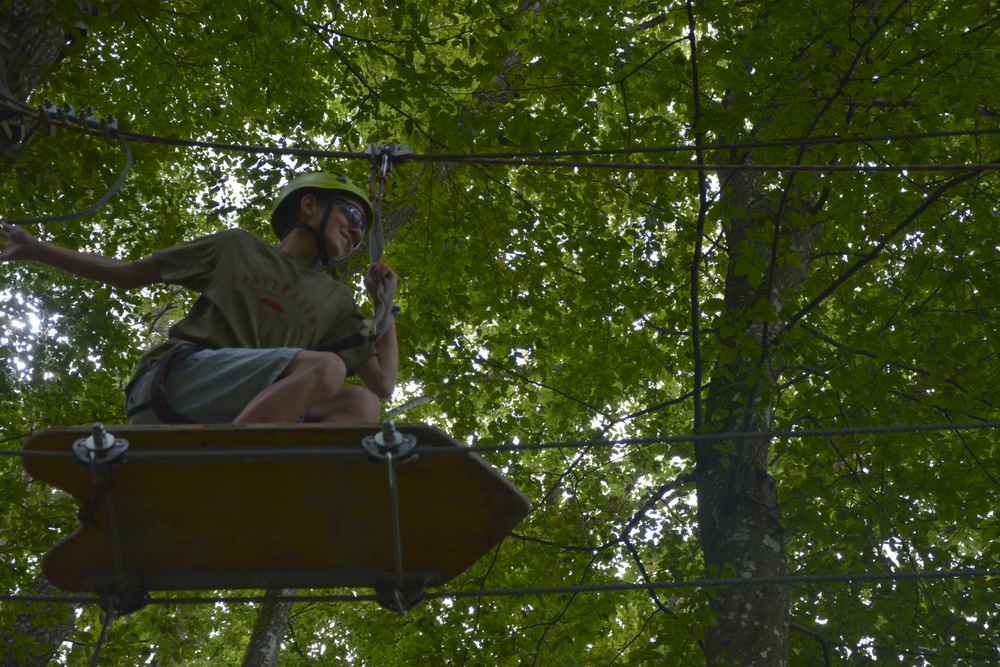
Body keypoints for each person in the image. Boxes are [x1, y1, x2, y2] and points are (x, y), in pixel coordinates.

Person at [0, 173, 398, 426]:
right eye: (351, 215)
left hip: (247, 407)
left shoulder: (336, 299)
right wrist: (38, 250)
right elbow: (127, 273)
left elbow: (381, 385)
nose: (357, 232)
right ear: (310, 205)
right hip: (178, 382)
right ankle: (236, 468)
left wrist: (384, 306)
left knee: (360, 405)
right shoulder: (237, 247)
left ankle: (273, 489)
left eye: (363, 231)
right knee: (325, 368)